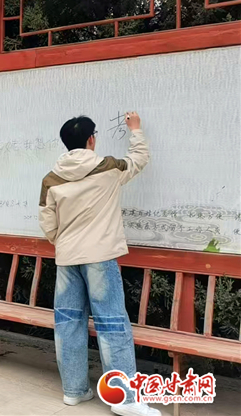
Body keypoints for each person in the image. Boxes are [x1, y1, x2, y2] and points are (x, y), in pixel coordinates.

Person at [39, 112, 158, 416]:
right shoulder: (107, 168)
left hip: (67, 258)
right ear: (91, 139)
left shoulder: (51, 179)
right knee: (112, 323)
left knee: (68, 322)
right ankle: (124, 399)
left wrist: (64, 241)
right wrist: (135, 130)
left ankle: (74, 391)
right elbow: (138, 159)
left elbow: (48, 223)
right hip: (100, 257)